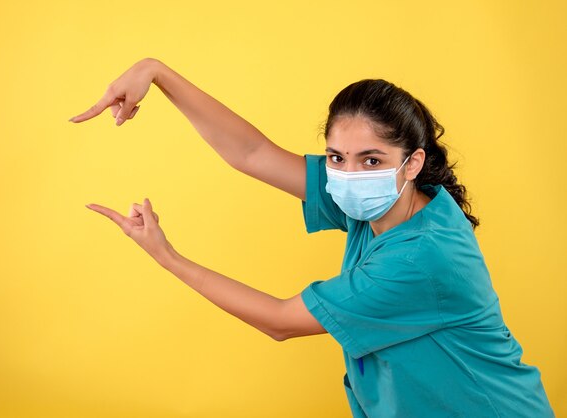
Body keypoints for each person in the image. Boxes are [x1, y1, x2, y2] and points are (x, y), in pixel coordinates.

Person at [68, 58, 555, 417]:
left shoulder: (418, 260)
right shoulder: (389, 200)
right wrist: (157, 73)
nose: (345, 174)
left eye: (371, 159)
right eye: (336, 157)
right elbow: (253, 153)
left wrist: (167, 256)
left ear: (413, 162)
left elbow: (280, 320)